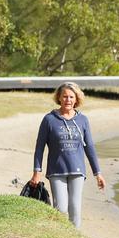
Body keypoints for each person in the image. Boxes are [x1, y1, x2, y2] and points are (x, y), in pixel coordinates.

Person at [29, 82, 105, 228]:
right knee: (61, 209)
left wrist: (98, 173)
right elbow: (39, 148)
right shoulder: (49, 119)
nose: (68, 100)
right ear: (59, 98)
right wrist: (36, 172)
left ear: (76, 99)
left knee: (75, 209)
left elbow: (89, 147)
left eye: (71, 97)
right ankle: (61, 237)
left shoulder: (83, 120)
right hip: (56, 171)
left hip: (77, 171)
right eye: (64, 97)